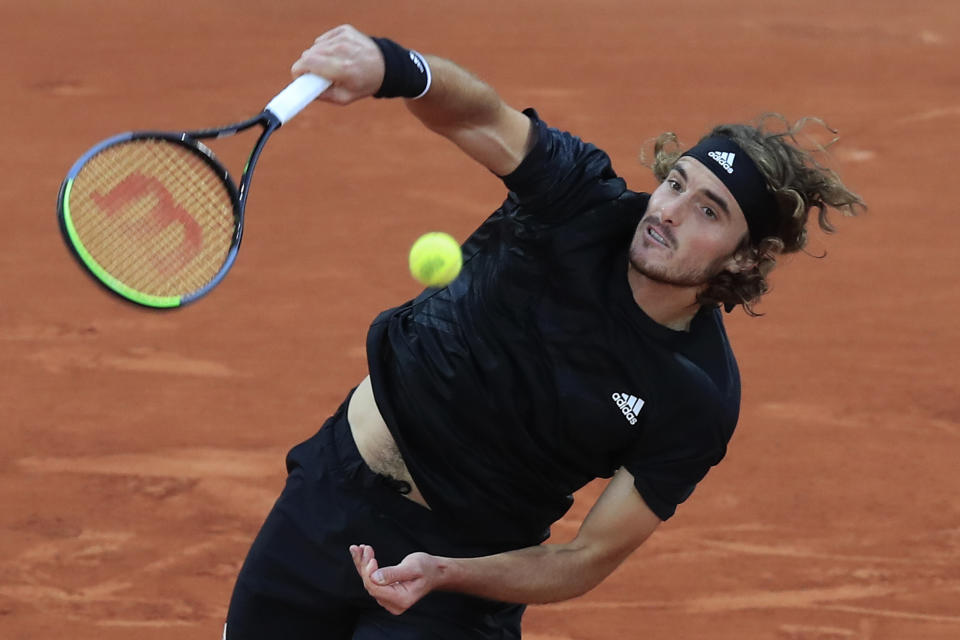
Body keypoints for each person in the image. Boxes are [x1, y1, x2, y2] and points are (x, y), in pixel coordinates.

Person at [223, 24, 864, 639]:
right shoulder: (577, 201)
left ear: (747, 257)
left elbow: (584, 557)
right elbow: (478, 116)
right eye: (674, 183)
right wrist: (392, 66)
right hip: (328, 494)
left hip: (458, 581)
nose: (665, 211)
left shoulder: (696, 396)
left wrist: (447, 574)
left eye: (707, 210)